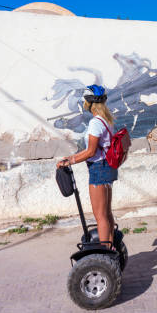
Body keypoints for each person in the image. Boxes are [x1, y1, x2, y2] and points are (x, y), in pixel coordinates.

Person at [56, 84, 118, 249]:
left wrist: (70, 162)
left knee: (100, 216)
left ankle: (105, 253)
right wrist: (71, 157)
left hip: (98, 169)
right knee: (107, 213)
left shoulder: (95, 123)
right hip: (108, 167)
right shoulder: (107, 120)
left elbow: (91, 152)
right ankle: (111, 247)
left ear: (89, 103)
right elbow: (95, 149)